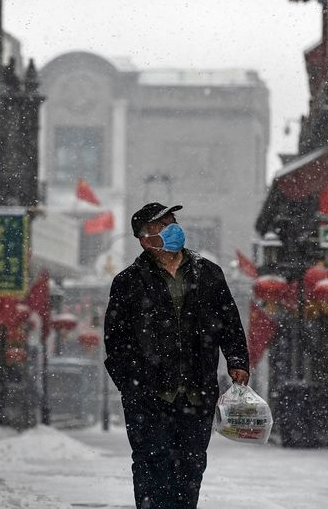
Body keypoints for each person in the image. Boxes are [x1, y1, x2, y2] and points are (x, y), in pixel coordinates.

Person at [104, 202, 250, 509]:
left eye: (173, 222)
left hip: (197, 394)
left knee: (191, 469)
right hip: (148, 398)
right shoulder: (128, 282)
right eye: (163, 225)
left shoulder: (208, 273)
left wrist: (237, 361)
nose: (174, 229)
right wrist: (132, 387)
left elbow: (230, 323)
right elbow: (115, 342)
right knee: (151, 467)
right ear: (146, 239)